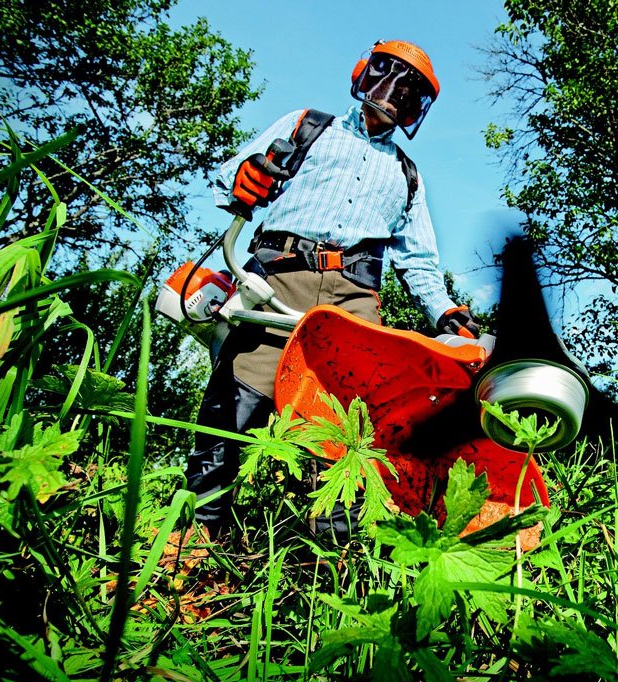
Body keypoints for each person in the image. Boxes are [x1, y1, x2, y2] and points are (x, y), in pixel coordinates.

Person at [183, 39, 480, 540]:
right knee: (237, 401)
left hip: (353, 298)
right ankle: (192, 539)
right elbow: (229, 176)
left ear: (417, 109)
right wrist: (245, 177)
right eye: (386, 78)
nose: (393, 96)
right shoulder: (308, 126)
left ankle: (327, 558)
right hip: (279, 274)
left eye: (409, 93)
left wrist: (445, 311)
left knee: (350, 426)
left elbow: (420, 262)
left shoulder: (407, 175)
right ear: (364, 74)